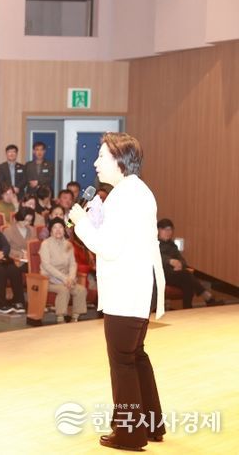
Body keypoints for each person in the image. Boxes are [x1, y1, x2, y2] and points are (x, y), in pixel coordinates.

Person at [69, 132, 166, 451]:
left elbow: (108, 247)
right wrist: (98, 221)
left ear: (120, 161)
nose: (96, 163)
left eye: (102, 157)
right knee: (135, 356)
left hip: (125, 290)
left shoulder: (124, 197)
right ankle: (151, 424)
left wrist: (81, 222)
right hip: (135, 288)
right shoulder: (137, 191)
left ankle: (129, 433)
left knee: (122, 361)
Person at [157, 218, 222, 308]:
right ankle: (207, 297)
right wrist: (170, 261)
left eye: (170, 230)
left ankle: (188, 308)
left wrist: (180, 264)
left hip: (174, 274)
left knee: (187, 281)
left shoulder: (172, 245)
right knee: (187, 275)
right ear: (159, 230)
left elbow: (183, 261)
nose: (168, 232)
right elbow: (156, 257)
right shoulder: (153, 244)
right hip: (161, 274)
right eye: (165, 230)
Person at [39, 218, 87, 323]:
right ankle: (60, 318)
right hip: (49, 280)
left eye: (60, 227)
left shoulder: (68, 244)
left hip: (66, 280)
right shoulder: (45, 244)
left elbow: (73, 264)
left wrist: (71, 277)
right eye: (55, 227)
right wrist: (64, 278)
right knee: (64, 290)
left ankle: (75, 317)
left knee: (81, 290)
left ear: (64, 230)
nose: (58, 230)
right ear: (50, 231)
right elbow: (47, 266)